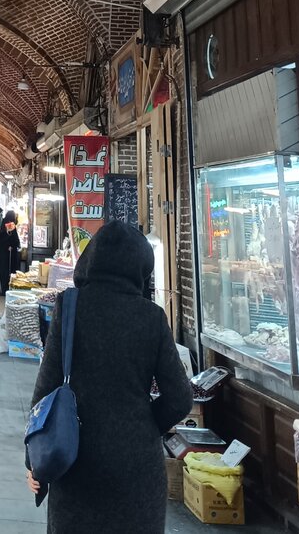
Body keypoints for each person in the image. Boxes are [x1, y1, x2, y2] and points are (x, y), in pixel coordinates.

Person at [26, 222, 192, 533]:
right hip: (137, 468)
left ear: (91, 260)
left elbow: (45, 390)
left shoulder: (70, 307)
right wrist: (143, 426)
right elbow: (181, 399)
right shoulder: (152, 317)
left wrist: (33, 459)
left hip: (75, 459)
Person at [0, 210, 20, 292]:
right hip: (8, 252)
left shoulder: (4, 223)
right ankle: (6, 287)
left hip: (2, 251)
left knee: (2, 270)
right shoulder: (10, 224)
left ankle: (1, 287)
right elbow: (13, 239)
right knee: (8, 270)